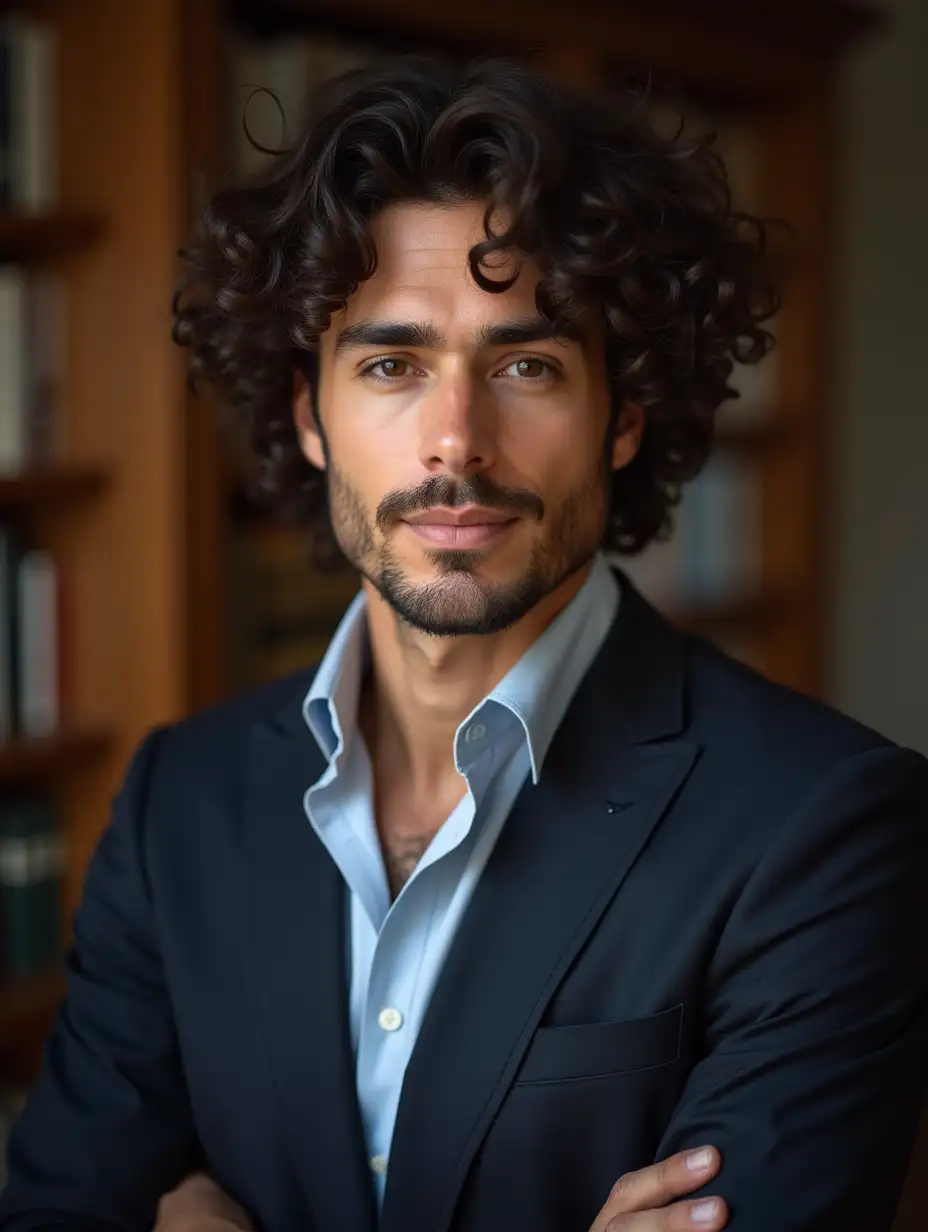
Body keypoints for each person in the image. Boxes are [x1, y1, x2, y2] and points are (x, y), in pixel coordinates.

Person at [1, 53, 927, 1232]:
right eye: (392, 364)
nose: (456, 439)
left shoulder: (827, 825)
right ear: (309, 413)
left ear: (624, 415)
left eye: (526, 365)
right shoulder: (176, 796)